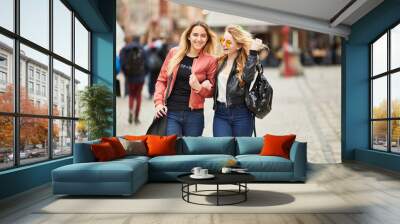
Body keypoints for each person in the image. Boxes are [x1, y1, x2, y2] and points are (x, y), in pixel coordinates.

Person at [153, 21, 218, 137]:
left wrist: (199, 87)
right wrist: (158, 103)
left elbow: (212, 92)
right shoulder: (174, 53)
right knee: (173, 149)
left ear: (207, 39)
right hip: (171, 112)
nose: (199, 39)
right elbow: (161, 80)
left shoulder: (211, 60)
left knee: (190, 152)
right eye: (195, 35)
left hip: (194, 116)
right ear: (188, 36)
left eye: (203, 36)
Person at [202, 25, 265, 137]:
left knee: (240, 152)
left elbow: (248, 78)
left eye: (229, 42)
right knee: (223, 150)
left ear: (238, 45)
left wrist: (253, 53)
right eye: (222, 40)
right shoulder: (218, 62)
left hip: (242, 113)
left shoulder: (246, 63)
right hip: (220, 114)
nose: (224, 44)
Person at [119, 35, 147, 124]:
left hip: (130, 77)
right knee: (138, 96)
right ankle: (136, 117)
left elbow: (121, 63)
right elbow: (147, 64)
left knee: (131, 95)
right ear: (139, 40)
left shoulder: (125, 49)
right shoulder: (142, 49)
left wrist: (126, 74)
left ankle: (130, 111)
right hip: (140, 76)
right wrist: (144, 74)